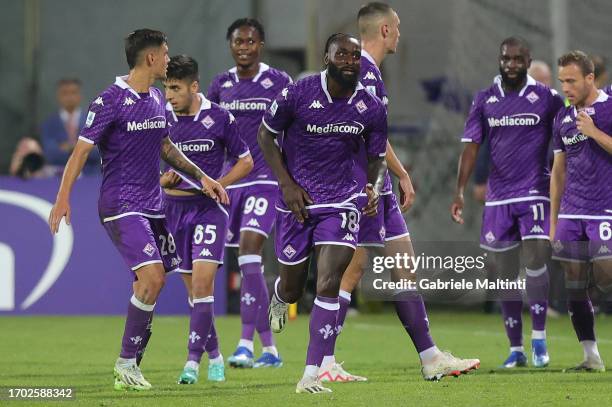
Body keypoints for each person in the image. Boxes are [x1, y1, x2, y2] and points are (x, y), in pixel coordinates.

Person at [48, 29, 228, 391]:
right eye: (164, 53)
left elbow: (165, 148)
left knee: (149, 285)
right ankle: (126, 364)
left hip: (153, 206)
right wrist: (62, 197)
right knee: (153, 279)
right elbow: (81, 152)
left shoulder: (157, 99)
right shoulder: (110, 100)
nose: (168, 58)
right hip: (120, 204)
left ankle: (131, 365)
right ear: (149, 58)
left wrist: (202, 177)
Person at [320, 2, 479, 383]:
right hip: (366, 186)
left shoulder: (368, 71)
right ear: (386, 31)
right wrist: (399, 174)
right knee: (352, 270)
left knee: (401, 266)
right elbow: (364, 132)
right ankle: (322, 360)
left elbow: (375, 132)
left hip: (378, 185)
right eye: (398, 27)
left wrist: (398, 175)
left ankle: (429, 357)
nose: (401, 34)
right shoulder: (364, 72)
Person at [451, 37, 565, 368]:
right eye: (506, 58)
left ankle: (540, 340)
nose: (511, 64)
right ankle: (516, 349)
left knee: (535, 261)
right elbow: (472, 147)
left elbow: (568, 139)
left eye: (518, 59)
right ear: (499, 60)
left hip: (534, 193)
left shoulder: (547, 98)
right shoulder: (485, 99)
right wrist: (459, 190)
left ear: (528, 61)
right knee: (503, 274)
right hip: (498, 199)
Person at [161, 54, 253, 384]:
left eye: (175, 88)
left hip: (209, 211)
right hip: (173, 211)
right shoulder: (160, 118)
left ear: (194, 86)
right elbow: (143, 166)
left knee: (203, 286)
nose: (169, 95)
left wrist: (216, 184)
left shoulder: (219, 118)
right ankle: (215, 354)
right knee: (195, 296)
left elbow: (246, 162)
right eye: (166, 87)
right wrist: (161, 181)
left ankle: (190, 363)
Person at [207, 18, 292, 368]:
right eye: (238, 42)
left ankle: (244, 343)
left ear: (261, 45)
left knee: (248, 252)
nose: (244, 47)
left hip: (265, 180)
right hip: (231, 184)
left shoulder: (279, 82)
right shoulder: (220, 85)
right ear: (230, 46)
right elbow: (209, 132)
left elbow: (293, 130)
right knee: (247, 264)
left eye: (250, 41)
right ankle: (269, 349)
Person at [550, 50, 612, 372]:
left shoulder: (610, 107)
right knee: (574, 283)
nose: (566, 88)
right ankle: (591, 357)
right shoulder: (562, 117)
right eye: (562, 82)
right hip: (572, 212)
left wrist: (594, 132)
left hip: (605, 209)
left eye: (571, 81)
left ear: (590, 78)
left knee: (606, 277)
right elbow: (558, 172)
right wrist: (553, 221)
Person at [41, 78, 100, 172]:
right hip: (59, 177)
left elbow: (98, 153)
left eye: (73, 92)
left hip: (90, 177)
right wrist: (82, 147)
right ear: (58, 96)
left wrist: (68, 147)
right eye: (65, 93)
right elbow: (50, 155)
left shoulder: (93, 121)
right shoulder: (49, 124)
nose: (69, 97)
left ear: (79, 95)